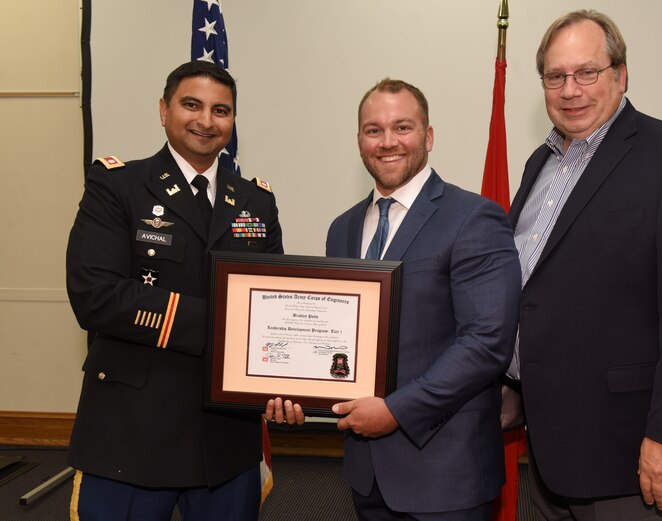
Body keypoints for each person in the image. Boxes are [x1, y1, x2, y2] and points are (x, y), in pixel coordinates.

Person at [505, 9, 662, 521]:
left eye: (587, 72)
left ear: (621, 74)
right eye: (555, 76)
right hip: (547, 449)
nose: (570, 90)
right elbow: (531, 287)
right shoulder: (538, 164)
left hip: (632, 456)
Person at [66, 60, 303, 521]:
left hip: (226, 436)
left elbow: (273, 302)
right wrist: (220, 321)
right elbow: (95, 295)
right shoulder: (117, 186)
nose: (206, 120)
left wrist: (289, 376)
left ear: (233, 122)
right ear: (163, 109)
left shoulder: (256, 200)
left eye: (221, 110)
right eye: (191, 105)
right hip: (132, 429)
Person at [326, 78, 522, 521]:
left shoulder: (474, 217)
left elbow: (486, 342)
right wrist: (297, 392)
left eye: (403, 127)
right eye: (373, 130)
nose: (387, 141)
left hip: (445, 473)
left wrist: (396, 411)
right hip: (366, 472)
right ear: (359, 140)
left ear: (428, 137)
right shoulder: (342, 228)